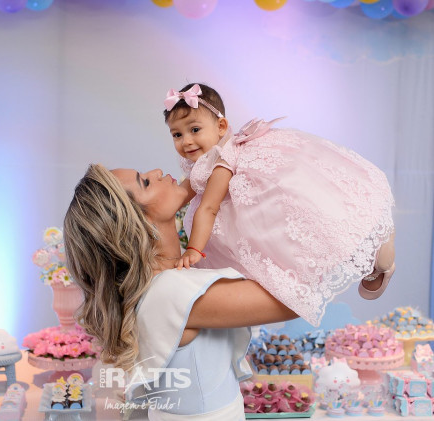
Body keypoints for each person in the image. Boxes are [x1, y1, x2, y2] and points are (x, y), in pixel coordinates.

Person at [63, 164, 298, 420]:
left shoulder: (160, 282)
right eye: (145, 182)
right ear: (139, 223)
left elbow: (199, 179)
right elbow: (294, 301)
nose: (156, 171)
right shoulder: (171, 291)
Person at [163, 83, 396, 327]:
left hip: (261, 207)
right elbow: (181, 194)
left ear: (221, 126)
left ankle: (380, 258)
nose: (186, 141)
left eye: (195, 130)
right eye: (177, 135)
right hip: (253, 217)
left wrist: (194, 250)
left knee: (310, 236)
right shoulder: (203, 162)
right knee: (299, 245)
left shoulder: (221, 161)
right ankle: (372, 260)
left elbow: (209, 208)